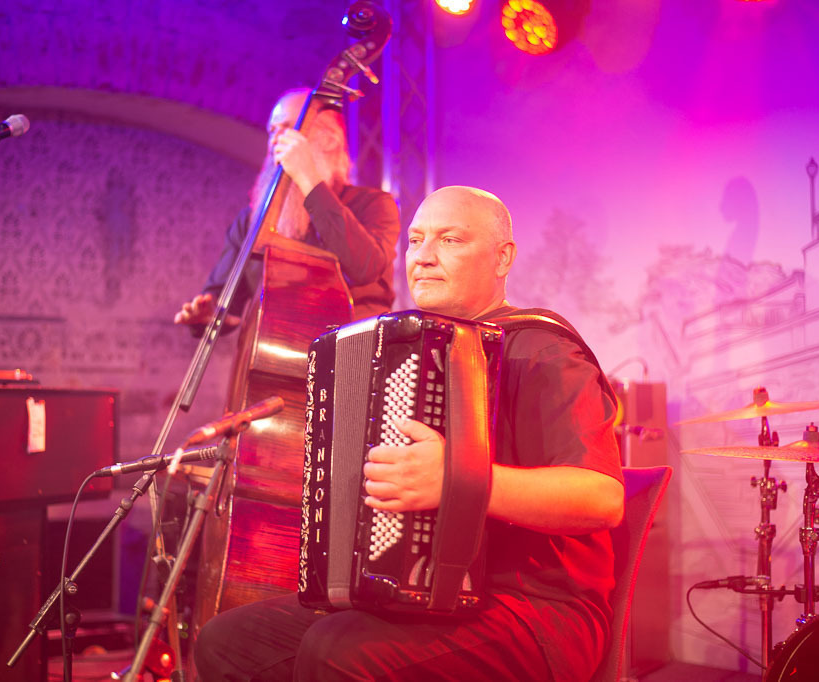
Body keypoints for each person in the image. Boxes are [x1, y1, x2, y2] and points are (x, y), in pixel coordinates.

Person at [192, 186, 625, 681]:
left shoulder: (544, 352)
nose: (423, 257)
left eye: (450, 240)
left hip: (536, 612)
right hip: (426, 598)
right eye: (416, 241)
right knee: (227, 642)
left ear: (503, 257)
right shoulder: (410, 353)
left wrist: (457, 479)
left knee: (337, 651)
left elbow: (603, 498)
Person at [174, 89, 401, 330]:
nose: (275, 140)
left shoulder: (374, 205)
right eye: (272, 131)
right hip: (269, 361)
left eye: (286, 128)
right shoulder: (252, 220)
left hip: (351, 357)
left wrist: (307, 176)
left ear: (330, 139)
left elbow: (365, 267)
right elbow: (224, 298)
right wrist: (211, 313)